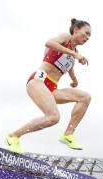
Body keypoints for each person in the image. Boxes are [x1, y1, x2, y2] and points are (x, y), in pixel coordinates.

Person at [6, 19, 92, 153]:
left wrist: (74, 80)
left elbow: (70, 67)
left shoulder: (73, 52)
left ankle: (68, 134)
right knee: (53, 117)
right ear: (76, 30)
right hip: (38, 81)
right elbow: (49, 43)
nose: (87, 38)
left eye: (89, 36)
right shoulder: (65, 38)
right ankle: (13, 136)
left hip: (52, 88)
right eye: (86, 33)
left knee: (85, 97)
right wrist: (75, 54)